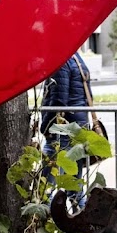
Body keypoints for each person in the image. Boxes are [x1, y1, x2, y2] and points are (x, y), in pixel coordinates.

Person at [39, 51, 90, 203]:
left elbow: (59, 101)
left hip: (61, 133)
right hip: (77, 130)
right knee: (75, 188)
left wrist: (45, 127)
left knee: (44, 189)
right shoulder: (76, 58)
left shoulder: (61, 61)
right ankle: (81, 223)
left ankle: (41, 221)